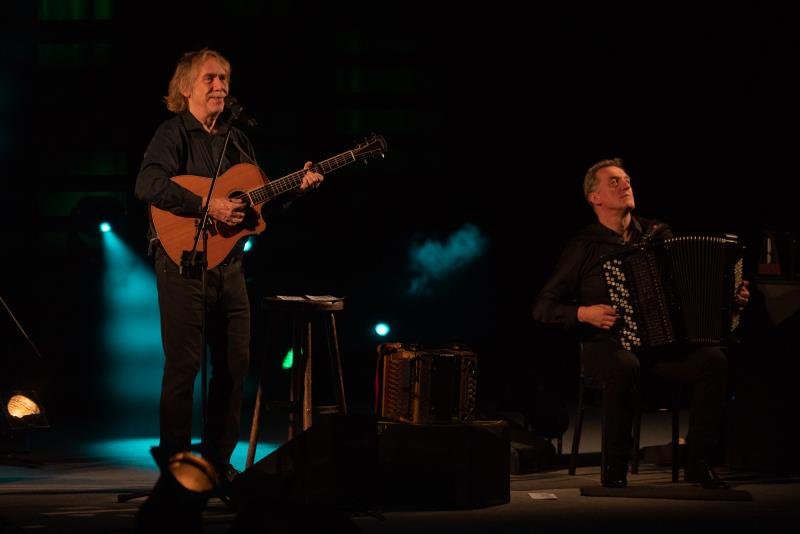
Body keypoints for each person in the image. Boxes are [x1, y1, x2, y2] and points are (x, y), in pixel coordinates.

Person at [134, 48, 323, 486]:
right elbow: (148, 184)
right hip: (183, 265)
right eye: (210, 79)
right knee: (183, 369)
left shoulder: (236, 140)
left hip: (231, 268)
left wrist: (298, 188)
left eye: (224, 79)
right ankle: (177, 469)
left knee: (235, 367)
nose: (220, 86)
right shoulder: (172, 133)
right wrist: (207, 204)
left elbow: (259, 206)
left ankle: (218, 463)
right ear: (186, 88)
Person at [532, 158, 749, 489]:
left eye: (627, 179)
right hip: (606, 346)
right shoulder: (584, 246)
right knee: (624, 365)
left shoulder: (657, 235)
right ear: (595, 198)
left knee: (713, 361)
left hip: (660, 349)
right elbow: (542, 307)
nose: (626, 185)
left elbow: (688, 289)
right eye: (614, 181)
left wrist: (729, 297)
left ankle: (699, 463)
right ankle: (614, 469)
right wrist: (583, 313)